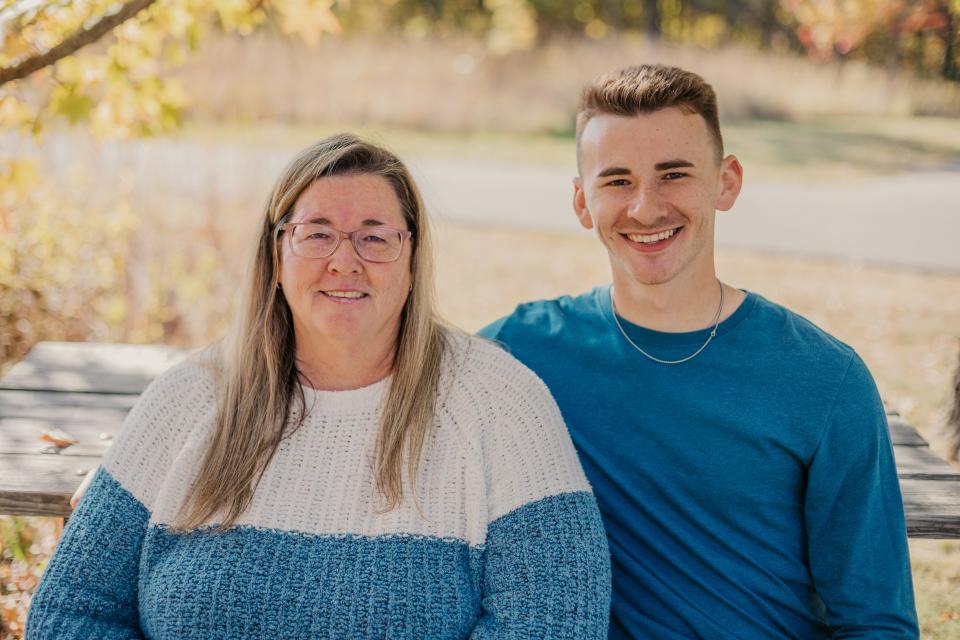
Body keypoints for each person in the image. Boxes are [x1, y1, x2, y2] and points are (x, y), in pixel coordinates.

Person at [27, 134, 610, 639]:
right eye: (317, 234)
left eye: (375, 237)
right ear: (277, 253)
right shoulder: (189, 399)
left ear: (413, 259)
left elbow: (554, 620)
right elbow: (71, 610)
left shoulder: (501, 403)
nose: (344, 261)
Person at [480, 65, 918, 639]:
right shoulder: (518, 353)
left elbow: (876, 620)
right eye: (616, 181)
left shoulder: (824, 378)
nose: (645, 207)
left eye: (673, 174)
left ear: (726, 181)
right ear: (582, 202)